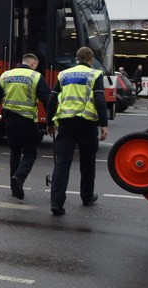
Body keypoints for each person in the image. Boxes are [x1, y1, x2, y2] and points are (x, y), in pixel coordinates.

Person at [46, 46, 109, 216]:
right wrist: (104, 124)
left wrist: (50, 121)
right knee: (87, 163)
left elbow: (52, 99)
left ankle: (56, 203)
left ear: (76, 58)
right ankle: (87, 197)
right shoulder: (95, 74)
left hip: (66, 124)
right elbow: (100, 100)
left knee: (62, 163)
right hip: (87, 125)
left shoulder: (63, 74)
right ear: (90, 60)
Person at [0, 53, 50, 199]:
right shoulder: (36, 77)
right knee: (30, 153)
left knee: (15, 152)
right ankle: (19, 179)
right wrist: (50, 122)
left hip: (10, 121)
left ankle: (14, 188)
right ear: (32, 63)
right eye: (36, 65)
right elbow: (48, 101)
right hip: (27, 121)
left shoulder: (6, 76)